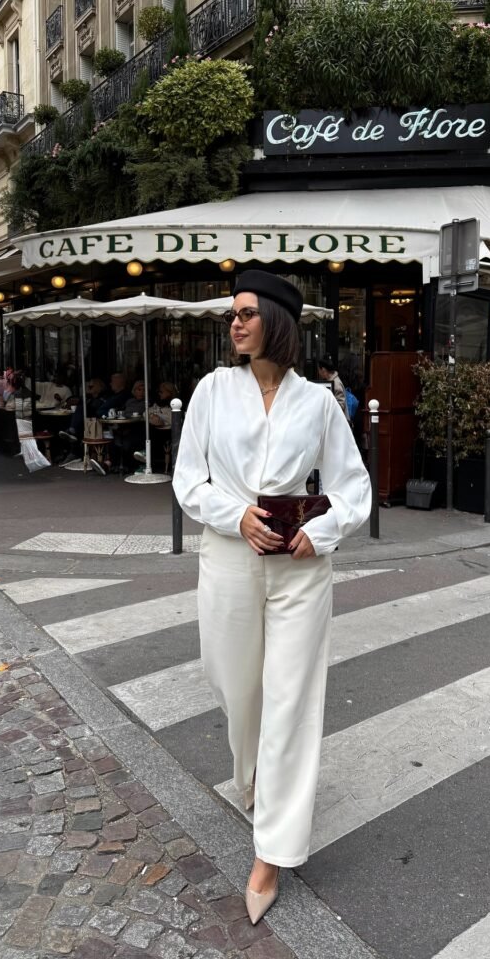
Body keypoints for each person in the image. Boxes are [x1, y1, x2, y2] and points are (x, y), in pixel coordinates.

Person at [172, 270, 371, 926]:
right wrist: (235, 516)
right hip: (229, 559)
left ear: (277, 321)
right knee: (234, 686)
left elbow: (353, 487)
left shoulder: (316, 403)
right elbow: (187, 480)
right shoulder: (211, 391)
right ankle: (251, 774)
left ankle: (272, 852)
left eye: (247, 312)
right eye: (232, 313)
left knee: (290, 699)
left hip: (298, 569)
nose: (235, 322)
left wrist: (323, 529)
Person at [316, 355, 350, 421]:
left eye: (318, 370)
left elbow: (340, 406)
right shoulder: (331, 381)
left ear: (323, 370)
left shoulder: (336, 384)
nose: (318, 373)